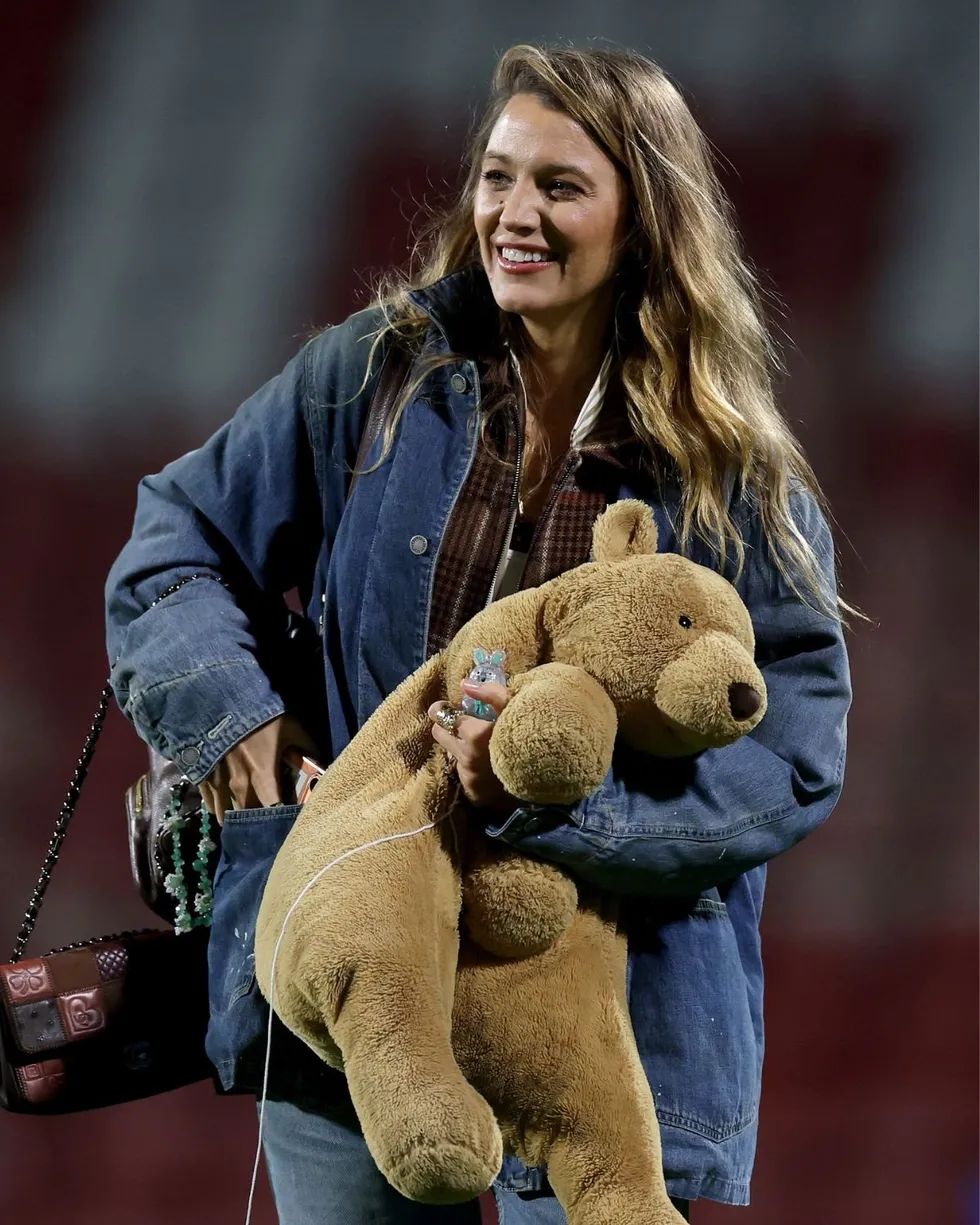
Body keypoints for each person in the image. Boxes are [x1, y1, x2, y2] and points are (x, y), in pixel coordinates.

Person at [104, 44, 851, 1225]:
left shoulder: (726, 478)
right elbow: (170, 546)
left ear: (642, 218)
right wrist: (236, 721)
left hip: (604, 1014)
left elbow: (792, 755)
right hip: (363, 981)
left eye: (559, 186)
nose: (513, 214)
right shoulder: (378, 373)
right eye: (497, 177)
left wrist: (559, 806)